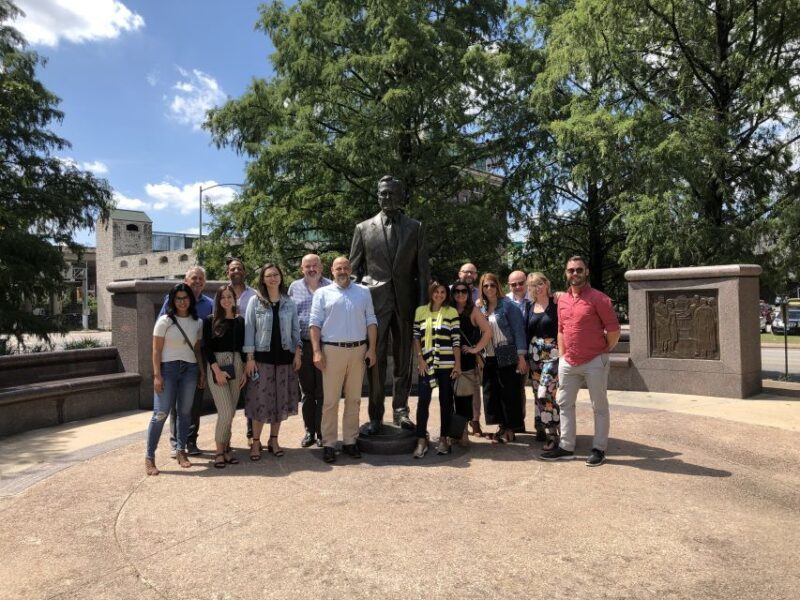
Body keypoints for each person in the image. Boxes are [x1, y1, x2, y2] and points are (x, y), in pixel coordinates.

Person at [350, 175, 430, 434]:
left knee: (404, 360)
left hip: (406, 306)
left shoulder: (415, 227)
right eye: (383, 193)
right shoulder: (363, 228)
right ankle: (375, 416)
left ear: (401, 196)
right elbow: (353, 271)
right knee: (376, 360)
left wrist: (422, 309)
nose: (387, 198)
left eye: (392, 193)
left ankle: (401, 411)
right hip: (374, 306)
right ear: (377, 195)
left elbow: (422, 272)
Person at [540, 256, 620, 466]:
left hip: (595, 360)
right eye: (571, 270)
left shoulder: (599, 298)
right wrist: (564, 355)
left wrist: (603, 350)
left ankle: (599, 449)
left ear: (587, 272)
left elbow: (613, 330)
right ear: (566, 273)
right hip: (569, 361)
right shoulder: (562, 300)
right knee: (564, 403)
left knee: (599, 406)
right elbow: (561, 330)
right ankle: (566, 447)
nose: (574, 274)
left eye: (578, 270)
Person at [309, 257, 377, 464]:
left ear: (351, 270)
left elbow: (371, 321)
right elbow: (314, 324)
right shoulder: (322, 293)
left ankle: (350, 441)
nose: (342, 271)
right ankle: (329, 443)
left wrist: (372, 349)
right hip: (332, 351)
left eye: (346, 267)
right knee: (330, 402)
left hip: (358, 350)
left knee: (354, 400)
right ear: (332, 270)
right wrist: (316, 351)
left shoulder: (363, 292)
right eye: (338, 268)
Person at [145, 283, 206, 475]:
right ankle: (149, 457)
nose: (182, 301)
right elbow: (156, 350)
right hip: (168, 369)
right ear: (173, 300)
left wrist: (202, 372)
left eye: (185, 298)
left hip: (190, 369)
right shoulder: (165, 321)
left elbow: (196, 349)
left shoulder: (198, 322)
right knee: (161, 413)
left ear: (191, 299)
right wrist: (157, 375)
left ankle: (181, 451)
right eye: (178, 298)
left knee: (185, 412)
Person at [243, 263, 302, 461]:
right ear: (263, 279)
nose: (273, 278)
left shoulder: (289, 302)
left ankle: (274, 440)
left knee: (279, 402)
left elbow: (296, 331)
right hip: (262, 360)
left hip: (285, 359)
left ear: (281, 277)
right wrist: (249, 359)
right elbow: (249, 330)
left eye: (276, 274)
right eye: (268, 275)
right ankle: (256, 441)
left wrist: (298, 353)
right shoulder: (255, 301)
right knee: (260, 401)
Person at [158, 266, 213, 457]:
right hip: (173, 358)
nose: (197, 281)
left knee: (194, 401)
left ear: (204, 282)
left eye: (200, 279)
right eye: (193, 278)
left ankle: (191, 440)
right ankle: (176, 443)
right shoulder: (171, 300)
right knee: (175, 403)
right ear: (185, 280)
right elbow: (160, 329)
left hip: (198, 357)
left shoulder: (210, 304)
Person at [412, 282, 462, 457]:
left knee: (446, 402)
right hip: (427, 364)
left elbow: (456, 340)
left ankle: (443, 438)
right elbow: (416, 337)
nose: (439, 295)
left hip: (447, 365)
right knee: (423, 402)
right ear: (431, 293)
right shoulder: (420, 311)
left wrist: (457, 364)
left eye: (442, 292)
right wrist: (420, 359)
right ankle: (421, 439)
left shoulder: (451, 312)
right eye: (436, 291)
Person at [288, 254, 331, 448]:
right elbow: (290, 319)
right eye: (308, 266)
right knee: (307, 392)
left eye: (315, 265)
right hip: (303, 345)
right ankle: (309, 432)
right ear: (301, 268)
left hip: (326, 345)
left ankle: (322, 432)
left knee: (323, 392)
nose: (312, 269)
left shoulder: (331, 286)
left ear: (321, 267)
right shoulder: (294, 288)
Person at [479, 273, 528, 442]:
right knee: (492, 393)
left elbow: (518, 331)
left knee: (509, 392)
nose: (489, 289)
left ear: (497, 286)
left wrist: (521, 357)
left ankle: (510, 429)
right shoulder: (482, 308)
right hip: (490, 354)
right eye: (486, 286)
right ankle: (502, 426)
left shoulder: (508, 305)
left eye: (492, 285)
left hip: (506, 351)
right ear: (482, 288)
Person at [203, 285, 247, 468]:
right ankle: (219, 451)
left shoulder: (239, 321)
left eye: (230, 296)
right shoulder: (210, 320)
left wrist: (244, 369)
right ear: (218, 300)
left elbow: (243, 347)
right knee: (225, 411)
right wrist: (217, 371)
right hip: (217, 365)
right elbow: (206, 347)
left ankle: (228, 449)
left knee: (232, 412)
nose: (227, 300)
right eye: (223, 297)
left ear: (234, 300)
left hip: (236, 363)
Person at [450, 281, 491, 443]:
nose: (460, 294)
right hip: (448, 359)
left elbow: (488, 331)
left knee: (464, 397)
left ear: (468, 294)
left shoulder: (473, 311)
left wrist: (476, 349)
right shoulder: (448, 310)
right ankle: (455, 432)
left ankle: (462, 432)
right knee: (449, 398)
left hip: (466, 360)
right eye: (457, 291)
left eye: (464, 292)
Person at [525, 272, 561, 451]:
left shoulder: (557, 303)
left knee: (544, 393)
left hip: (553, 354)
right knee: (537, 393)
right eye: (533, 285)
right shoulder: (530, 307)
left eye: (540, 284)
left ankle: (553, 434)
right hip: (534, 356)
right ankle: (541, 426)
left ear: (547, 284)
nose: (537, 288)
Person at [225, 257, 256, 446]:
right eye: (232, 269)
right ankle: (225, 436)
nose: (236, 271)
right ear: (227, 273)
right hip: (228, 350)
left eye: (239, 268)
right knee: (227, 397)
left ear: (244, 272)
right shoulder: (223, 293)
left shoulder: (254, 294)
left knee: (251, 393)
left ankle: (252, 432)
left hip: (249, 349)